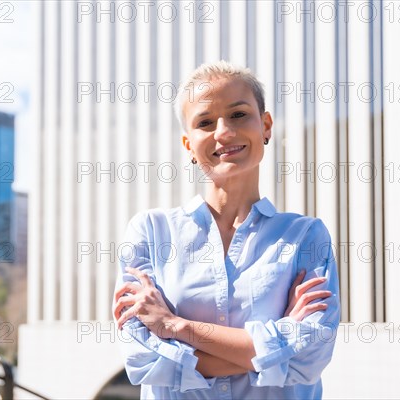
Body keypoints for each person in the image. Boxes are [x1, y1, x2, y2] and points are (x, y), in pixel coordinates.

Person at [112, 60, 340, 399]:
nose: (223, 132)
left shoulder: (306, 236)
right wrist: (274, 347)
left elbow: (308, 359)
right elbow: (145, 361)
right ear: (189, 144)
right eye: (205, 122)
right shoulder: (150, 231)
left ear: (265, 125)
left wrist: (176, 327)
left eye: (238, 115)